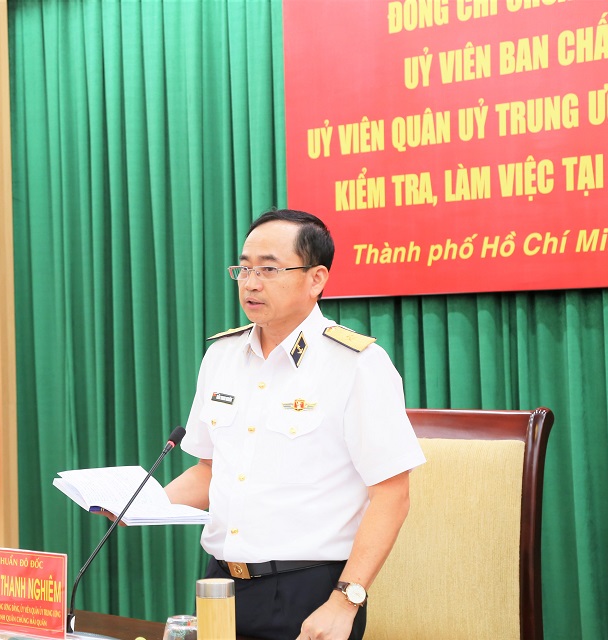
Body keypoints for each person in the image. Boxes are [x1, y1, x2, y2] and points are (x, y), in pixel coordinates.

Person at [164, 208, 426, 640]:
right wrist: (139, 505)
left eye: (268, 269)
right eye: (244, 269)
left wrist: (345, 602)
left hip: (309, 592)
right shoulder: (221, 356)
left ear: (316, 279)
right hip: (220, 585)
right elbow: (209, 472)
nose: (251, 283)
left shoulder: (356, 364)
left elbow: (392, 495)